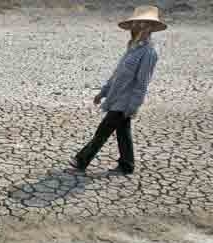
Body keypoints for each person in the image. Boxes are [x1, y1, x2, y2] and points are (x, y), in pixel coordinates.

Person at [69, 6, 167, 176]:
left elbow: (142, 83)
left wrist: (134, 106)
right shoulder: (133, 47)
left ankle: (82, 160)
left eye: (145, 24)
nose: (140, 27)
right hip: (116, 97)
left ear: (151, 28)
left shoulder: (149, 53)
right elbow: (118, 73)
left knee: (103, 130)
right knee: (123, 132)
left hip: (125, 102)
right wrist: (103, 92)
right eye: (138, 23)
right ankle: (127, 164)